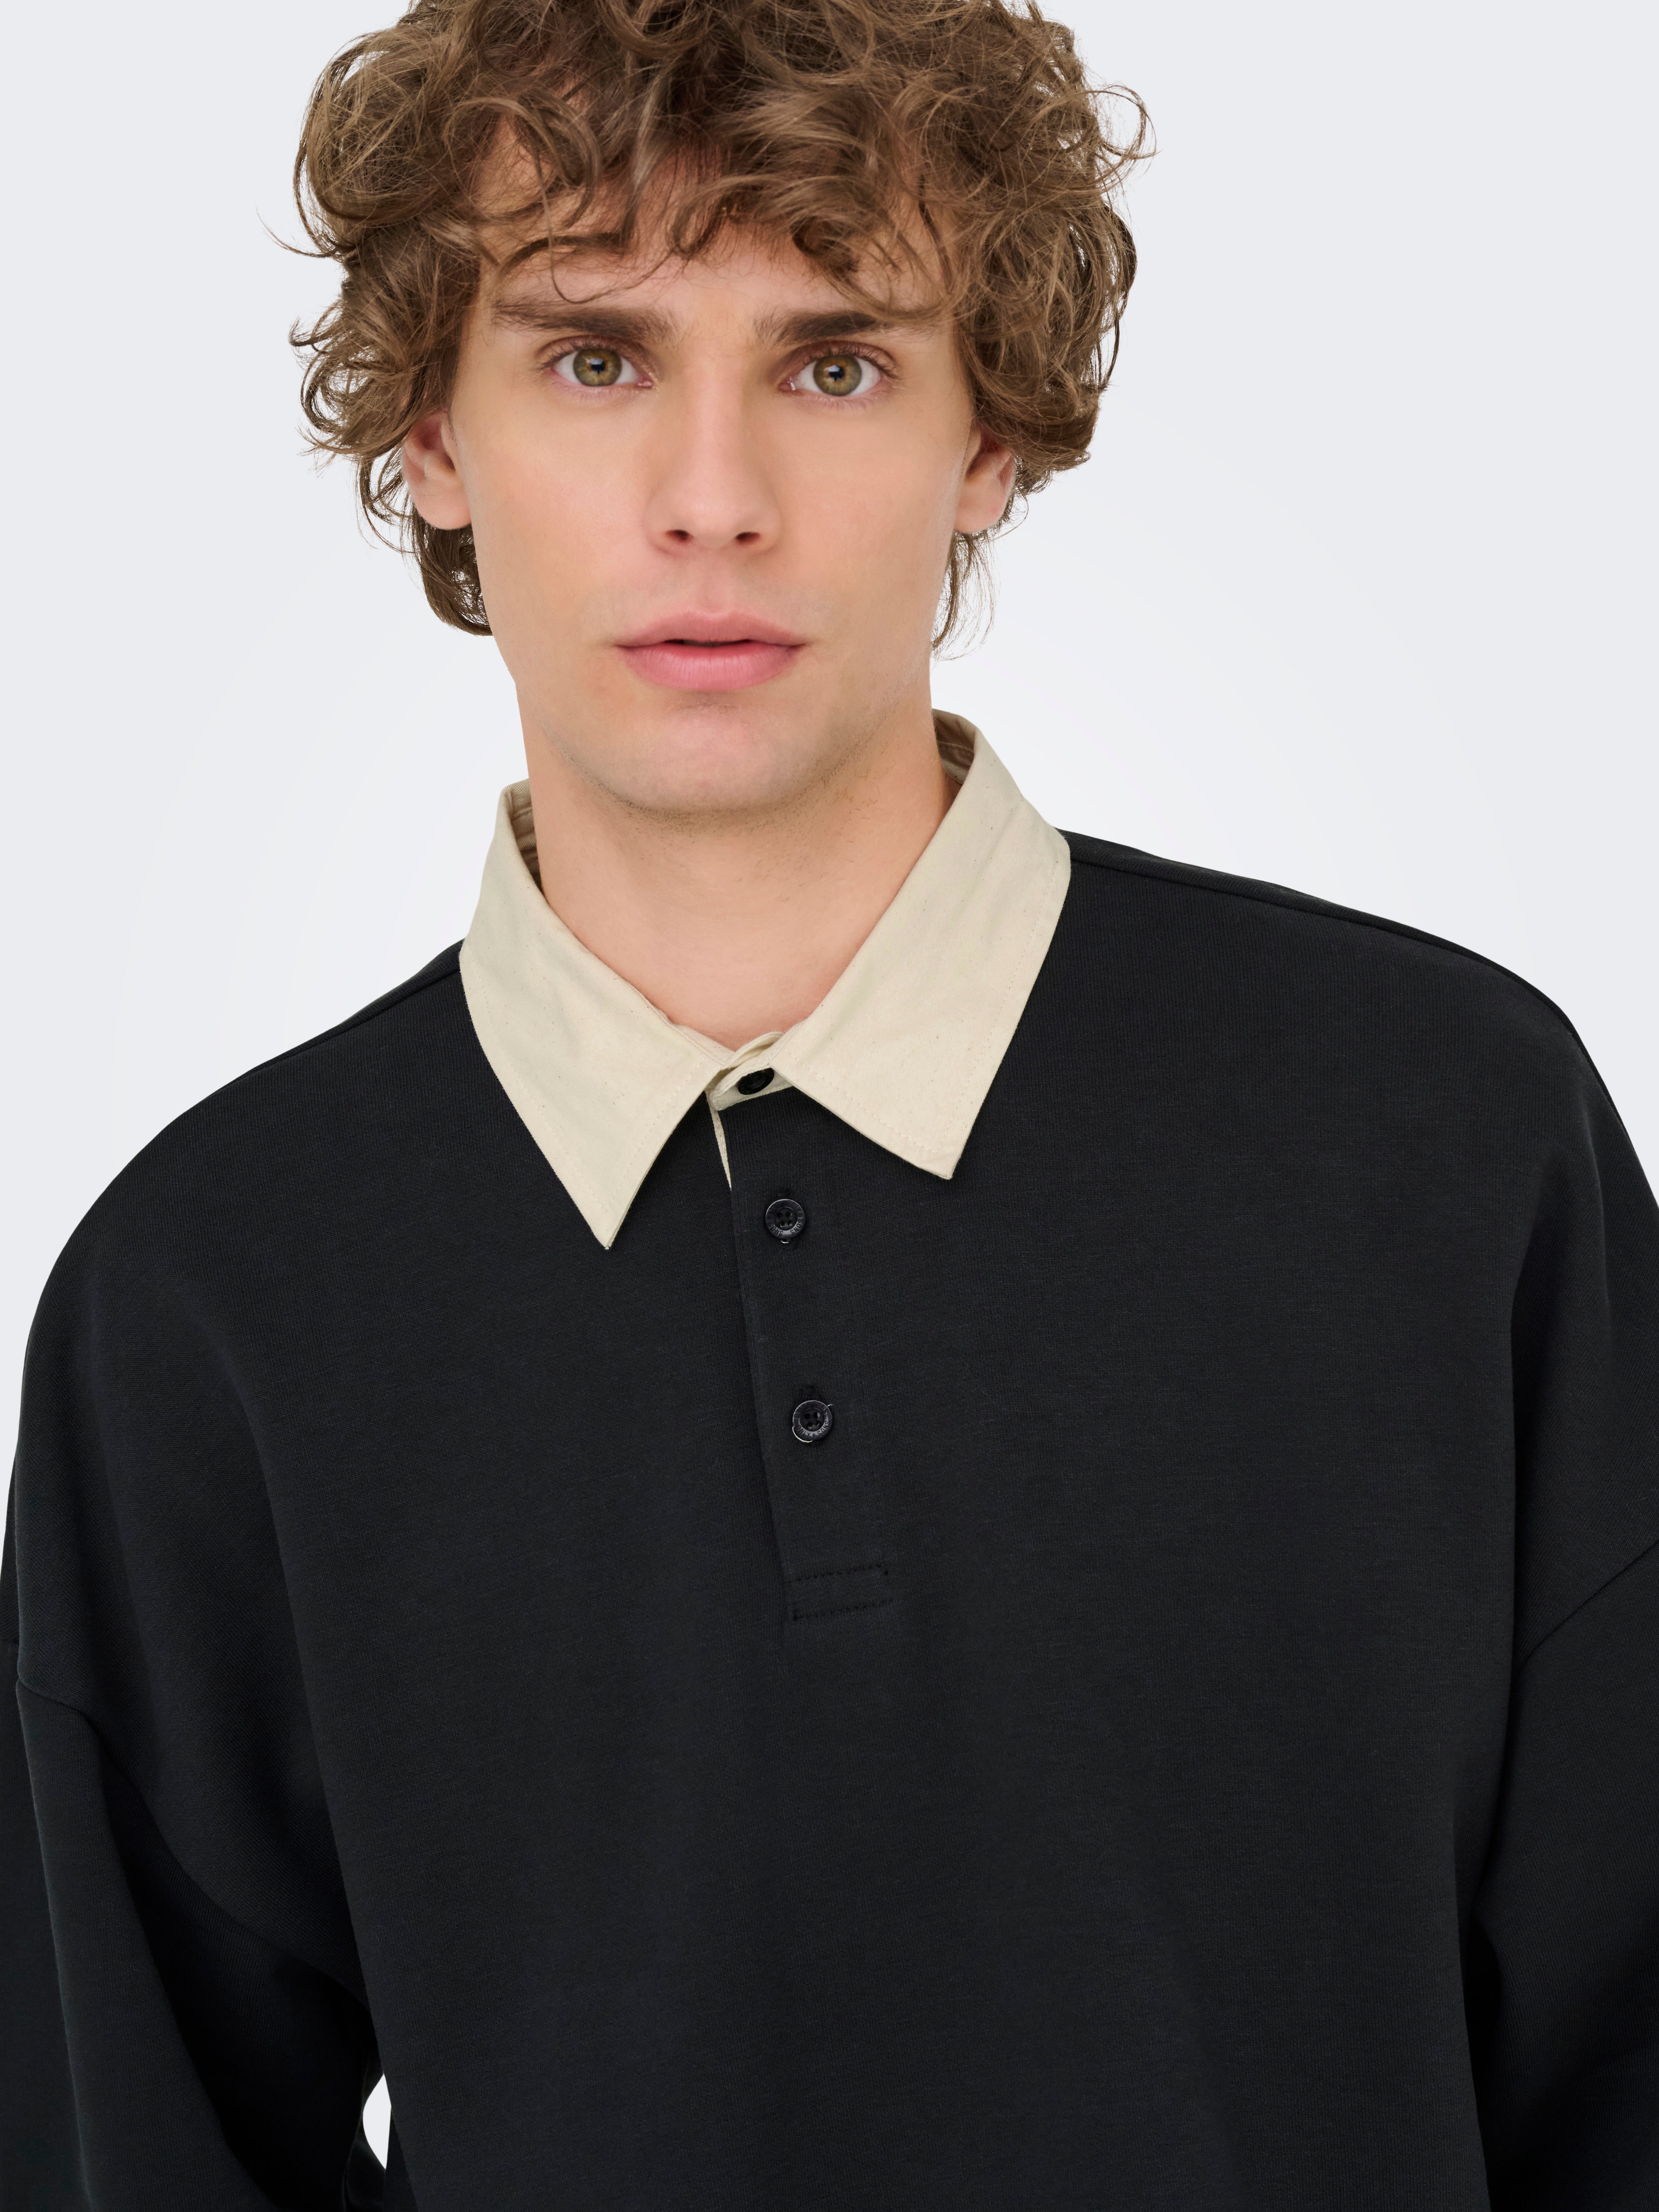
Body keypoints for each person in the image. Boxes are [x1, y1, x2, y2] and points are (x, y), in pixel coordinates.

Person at [3, 0, 1656, 2201]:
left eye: (835, 363)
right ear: (433, 435)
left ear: (993, 438)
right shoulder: (204, 1300)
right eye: (595, 356)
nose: (713, 499)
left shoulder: (1446, 1143)